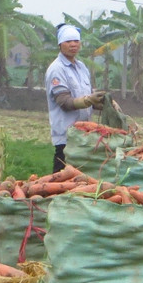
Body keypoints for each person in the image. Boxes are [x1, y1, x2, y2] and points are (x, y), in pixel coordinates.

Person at [45, 24, 106, 172]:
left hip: (84, 135)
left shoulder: (81, 67)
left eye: (76, 41)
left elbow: (88, 95)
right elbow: (64, 102)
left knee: (80, 179)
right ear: (60, 44)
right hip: (67, 138)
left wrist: (103, 102)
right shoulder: (57, 69)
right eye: (68, 41)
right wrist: (88, 100)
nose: (73, 44)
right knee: (61, 179)